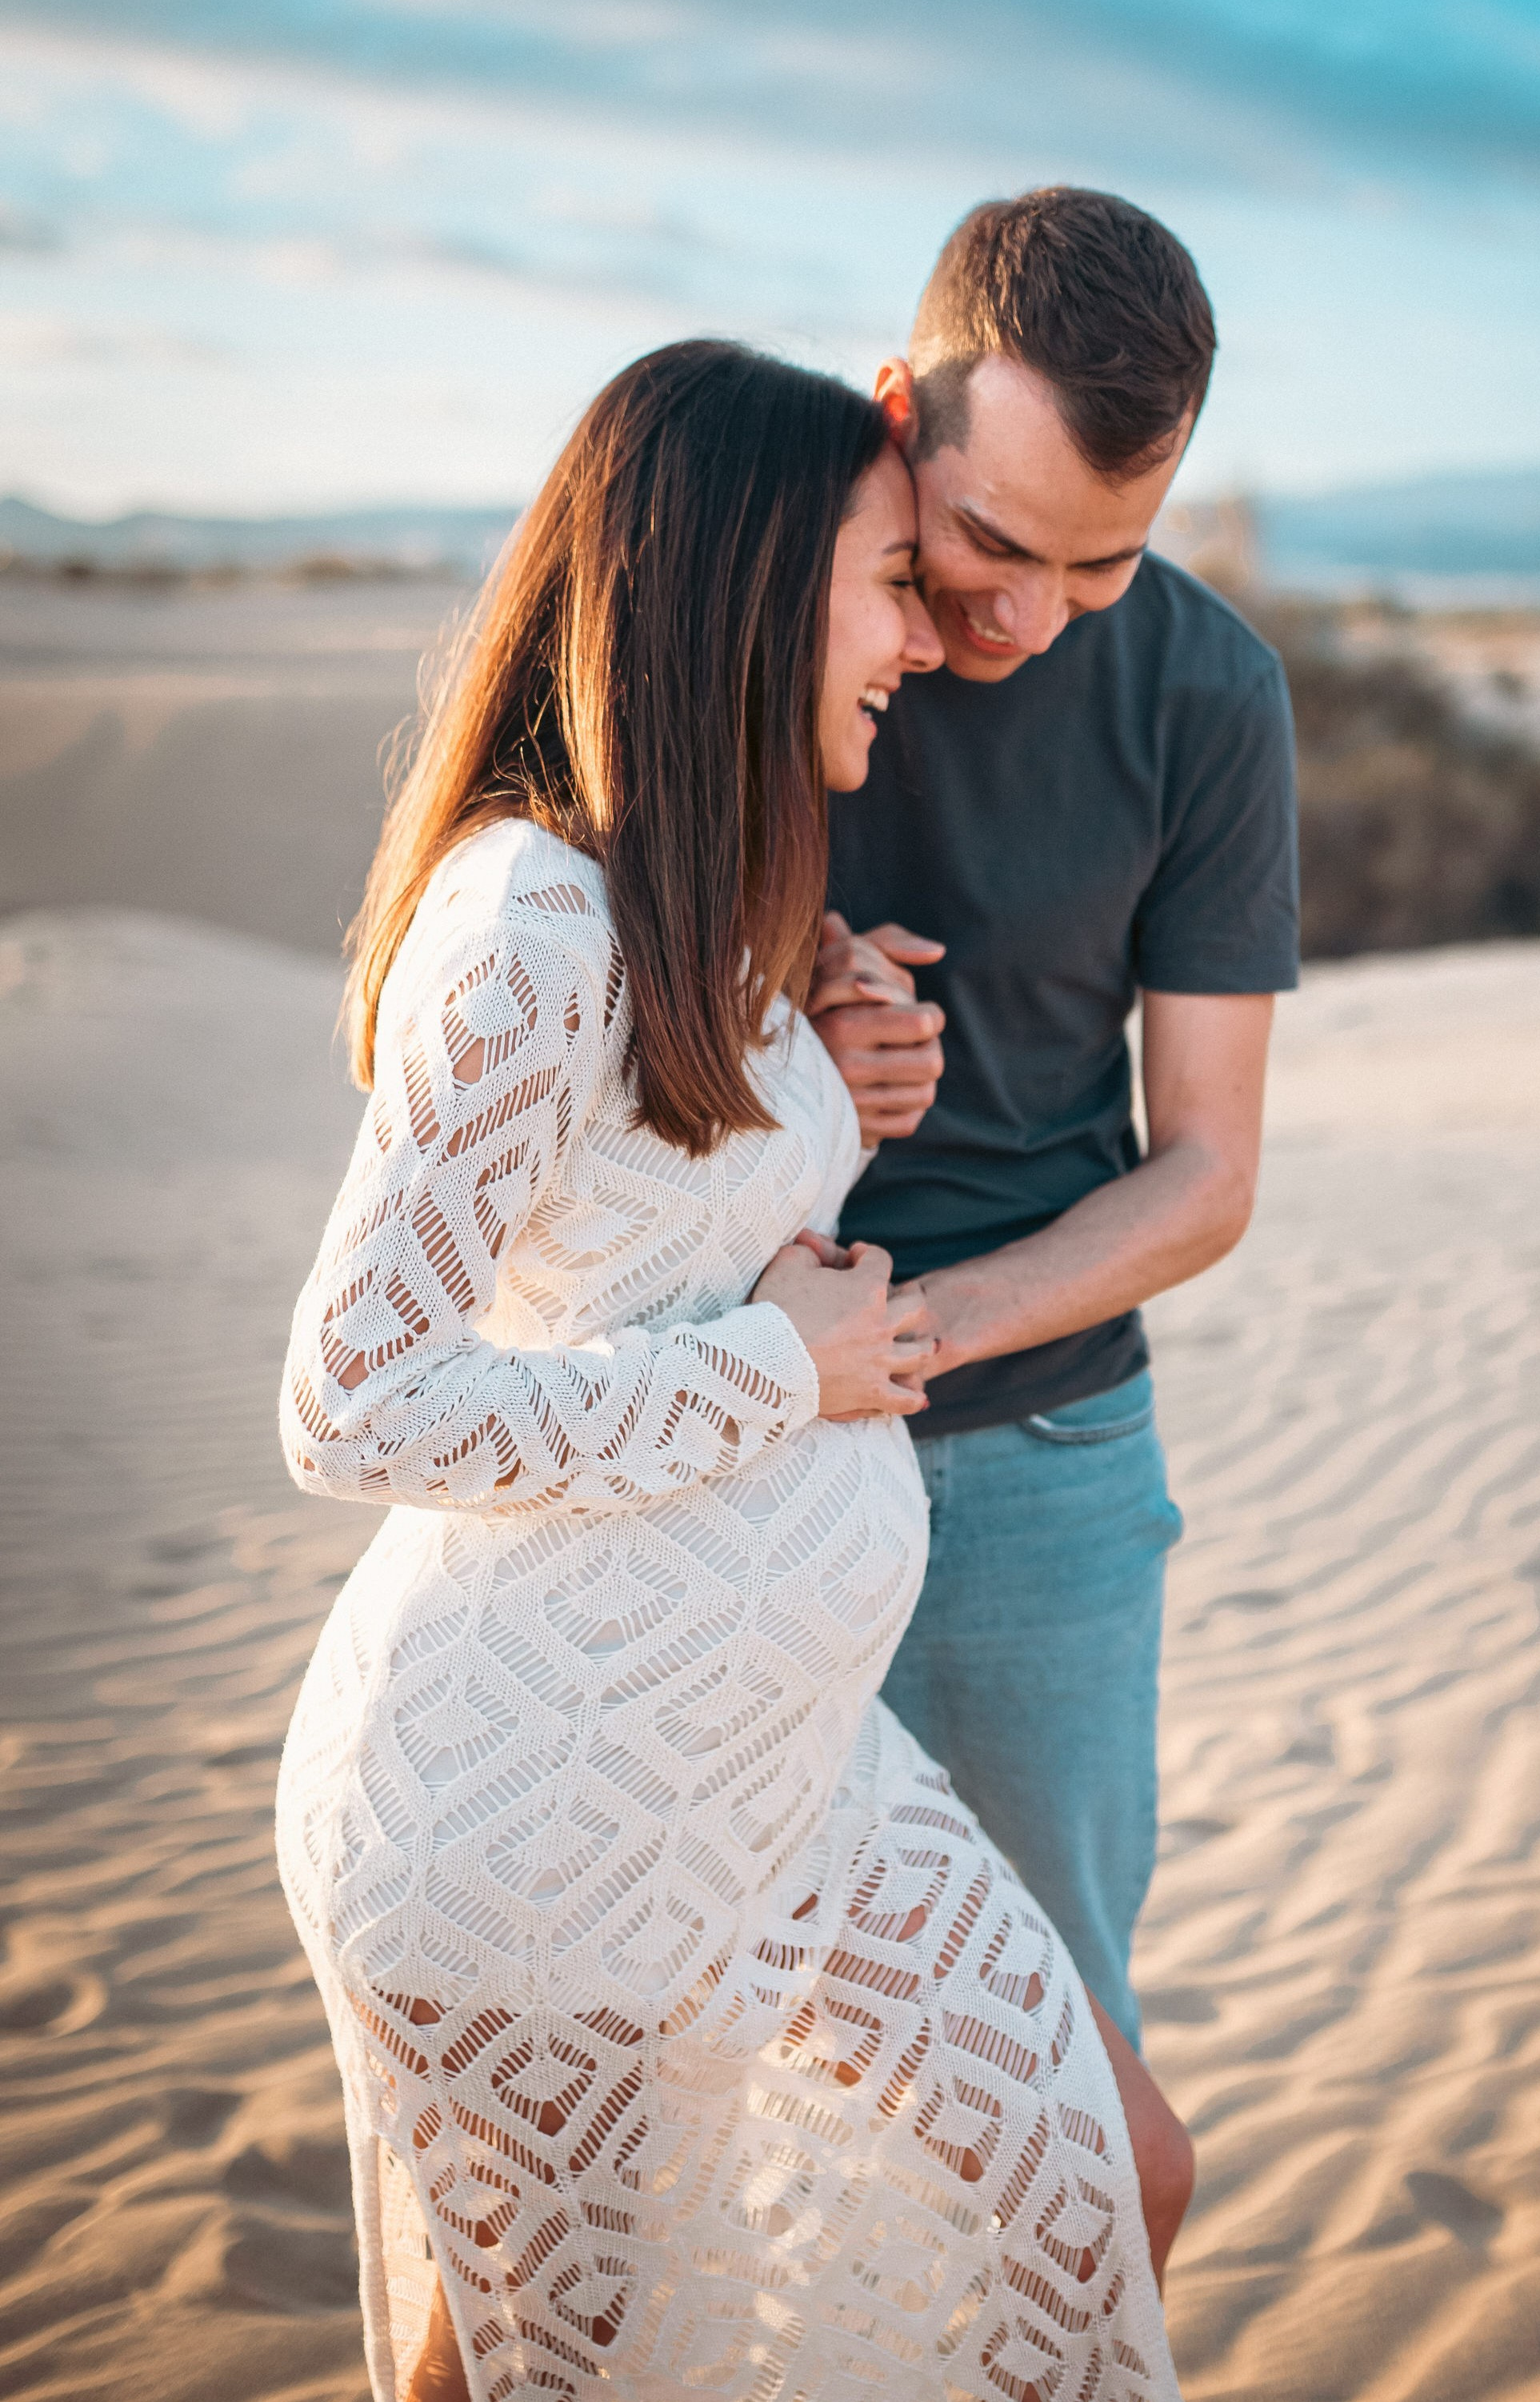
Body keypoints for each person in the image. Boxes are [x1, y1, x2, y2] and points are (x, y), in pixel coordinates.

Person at [274, 340, 1189, 2402]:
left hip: (772, 1773)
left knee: (1095, 2173)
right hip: (535, 1816)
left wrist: (828, 1086)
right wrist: (783, 1369)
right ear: (751, 591)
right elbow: (354, 1397)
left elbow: (648, 1245)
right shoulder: (527, 921)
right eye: (893, 584)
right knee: (557, 2367)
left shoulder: (681, 908)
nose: (922, 645)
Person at [810, 190, 1299, 2054]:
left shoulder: (1211, 692)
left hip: (1041, 1462)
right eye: (993, 542)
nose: (1025, 617)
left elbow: (1209, 1174)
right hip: (708, 1426)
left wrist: (903, 1339)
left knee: (1056, 2056)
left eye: (1104, 563)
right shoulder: (733, 619)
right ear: (898, 412)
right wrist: (782, 1013)